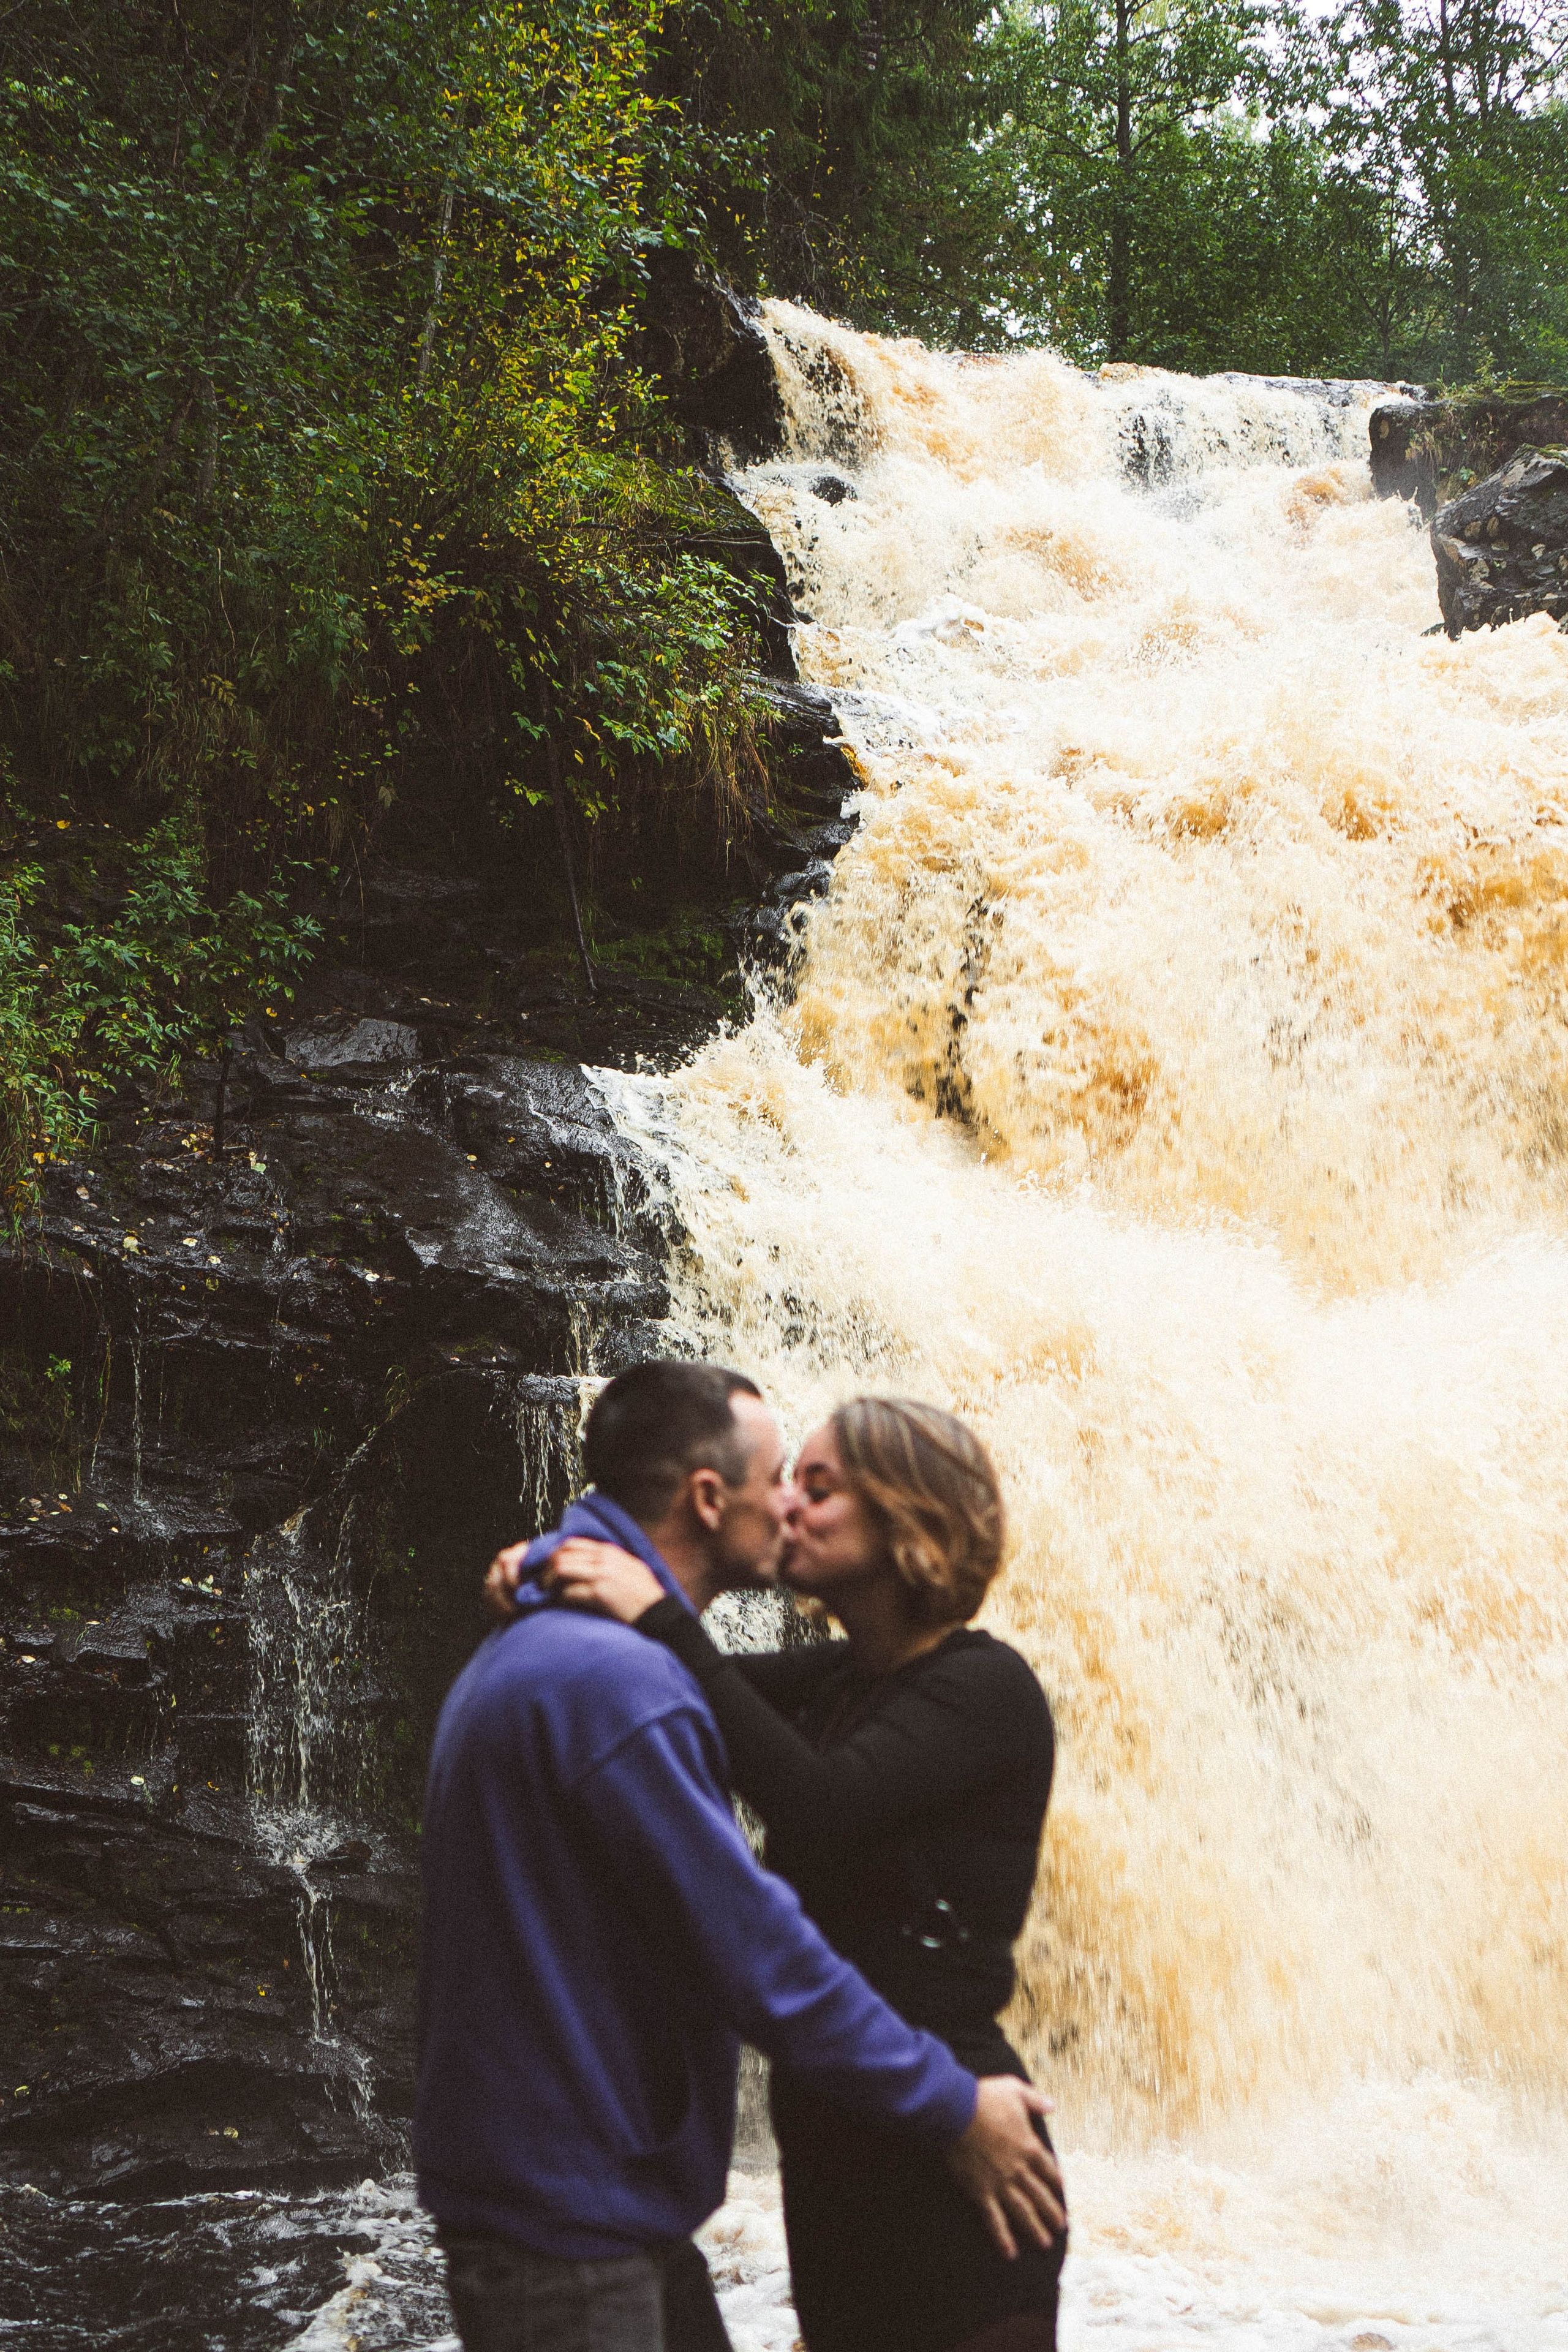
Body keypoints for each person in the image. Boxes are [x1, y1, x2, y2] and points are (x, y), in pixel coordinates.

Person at [420, 1361, 1065, 2352]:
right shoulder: (790, 1681)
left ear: (906, 1519)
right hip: (830, 2147)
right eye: (786, 1480)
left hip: (951, 2140)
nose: (792, 1509)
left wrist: (641, 1605)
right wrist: (552, 1568)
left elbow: (810, 1801)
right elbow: (701, 1691)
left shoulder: (982, 1687)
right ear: (708, 1497)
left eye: (820, 1486)